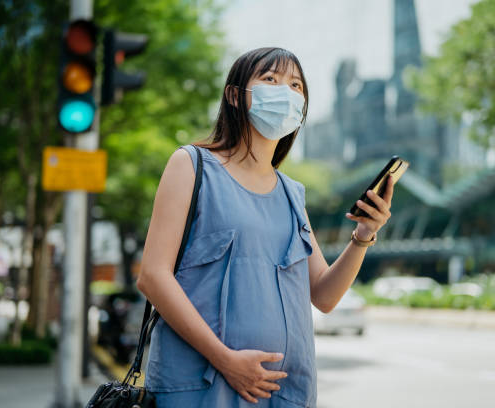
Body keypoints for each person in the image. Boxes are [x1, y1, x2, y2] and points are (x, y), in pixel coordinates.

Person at [136, 47, 395, 408]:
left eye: (296, 86)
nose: (285, 93)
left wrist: (364, 234)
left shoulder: (292, 194)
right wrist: (225, 359)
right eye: (270, 79)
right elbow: (152, 276)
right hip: (200, 387)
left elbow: (323, 295)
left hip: (283, 392)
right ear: (234, 96)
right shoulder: (192, 165)